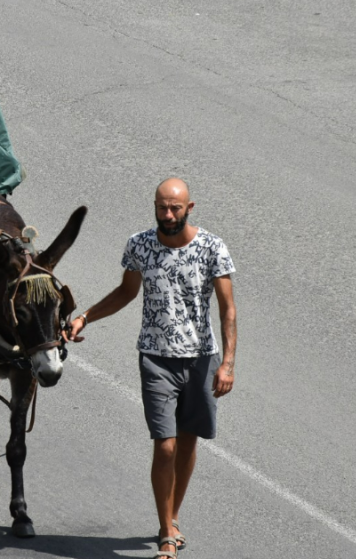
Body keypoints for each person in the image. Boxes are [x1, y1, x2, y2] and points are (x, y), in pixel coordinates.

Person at [64, 178, 236, 559]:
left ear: (190, 207)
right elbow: (126, 292)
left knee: (189, 440)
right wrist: (85, 318)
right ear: (155, 206)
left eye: (175, 208)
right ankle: (165, 533)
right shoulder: (140, 244)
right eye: (162, 207)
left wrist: (227, 363)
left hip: (202, 358)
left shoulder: (212, 247)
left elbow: (227, 309)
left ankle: (172, 517)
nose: (168, 214)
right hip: (155, 358)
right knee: (166, 444)